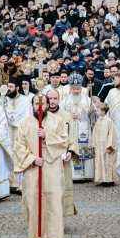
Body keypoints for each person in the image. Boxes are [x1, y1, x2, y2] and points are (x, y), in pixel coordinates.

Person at [14, 94, 68, 238]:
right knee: (32, 201)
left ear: (47, 104)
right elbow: (19, 146)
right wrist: (32, 159)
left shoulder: (57, 121)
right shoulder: (25, 123)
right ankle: (36, 237)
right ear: (32, 105)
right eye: (36, 103)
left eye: (42, 103)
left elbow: (64, 140)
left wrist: (47, 137)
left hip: (52, 170)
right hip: (33, 170)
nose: (40, 106)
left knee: (52, 203)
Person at [47, 89, 79, 217]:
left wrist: (71, 152)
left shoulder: (66, 116)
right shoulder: (40, 116)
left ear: (59, 99)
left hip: (62, 160)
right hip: (47, 160)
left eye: (55, 98)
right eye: (50, 98)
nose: (52, 101)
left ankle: (60, 217)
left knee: (62, 187)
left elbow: (73, 137)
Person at [0, 76, 31, 192]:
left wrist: (16, 123)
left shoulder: (25, 100)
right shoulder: (5, 99)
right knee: (8, 155)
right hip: (7, 131)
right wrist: (2, 99)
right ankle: (8, 183)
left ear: (17, 87)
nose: (9, 89)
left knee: (19, 155)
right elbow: (0, 113)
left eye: (11, 87)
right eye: (8, 87)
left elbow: (26, 115)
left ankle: (19, 183)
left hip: (19, 131)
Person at [61, 73, 95, 180]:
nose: (76, 91)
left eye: (78, 89)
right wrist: (69, 116)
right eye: (74, 89)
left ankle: (87, 174)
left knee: (84, 148)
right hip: (71, 129)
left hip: (84, 129)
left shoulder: (88, 100)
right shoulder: (65, 100)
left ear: (81, 88)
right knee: (73, 147)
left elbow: (94, 117)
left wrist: (93, 112)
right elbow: (60, 114)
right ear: (70, 88)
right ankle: (73, 175)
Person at [92, 102, 118, 185]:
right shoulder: (98, 121)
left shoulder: (109, 121)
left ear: (103, 112)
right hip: (99, 145)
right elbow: (95, 133)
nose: (97, 112)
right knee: (101, 162)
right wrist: (94, 143)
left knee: (108, 162)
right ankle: (103, 179)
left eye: (98, 110)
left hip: (106, 145)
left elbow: (112, 134)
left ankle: (109, 180)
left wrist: (110, 146)